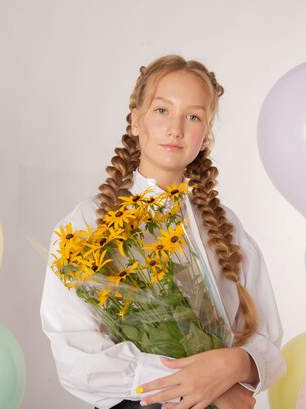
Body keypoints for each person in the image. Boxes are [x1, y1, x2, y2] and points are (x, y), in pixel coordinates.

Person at [40, 55, 285, 409]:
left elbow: (269, 342)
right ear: (136, 121)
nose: (176, 128)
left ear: (205, 136)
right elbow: (76, 357)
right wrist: (201, 381)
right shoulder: (86, 224)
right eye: (161, 111)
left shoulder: (226, 227)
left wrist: (236, 364)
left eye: (193, 116)